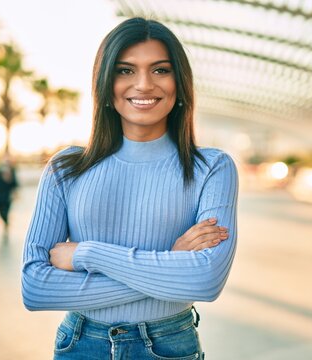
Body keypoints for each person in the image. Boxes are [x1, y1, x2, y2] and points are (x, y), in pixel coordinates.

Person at [21, 17, 238, 359]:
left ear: (180, 84)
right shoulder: (66, 168)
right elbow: (35, 288)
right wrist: (172, 264)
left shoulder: (211, 168)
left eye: (160, 70)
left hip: (168, 345)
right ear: (106, 85)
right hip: (80, 345)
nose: (143, 84)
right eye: (125, 70)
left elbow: (205, 281)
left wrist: (85, 254)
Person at [0, 156, 18, 236]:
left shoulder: (12, 172)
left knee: (6, 211)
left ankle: (6, 223)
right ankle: (5, 221)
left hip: (7, 196)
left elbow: (15, 184)